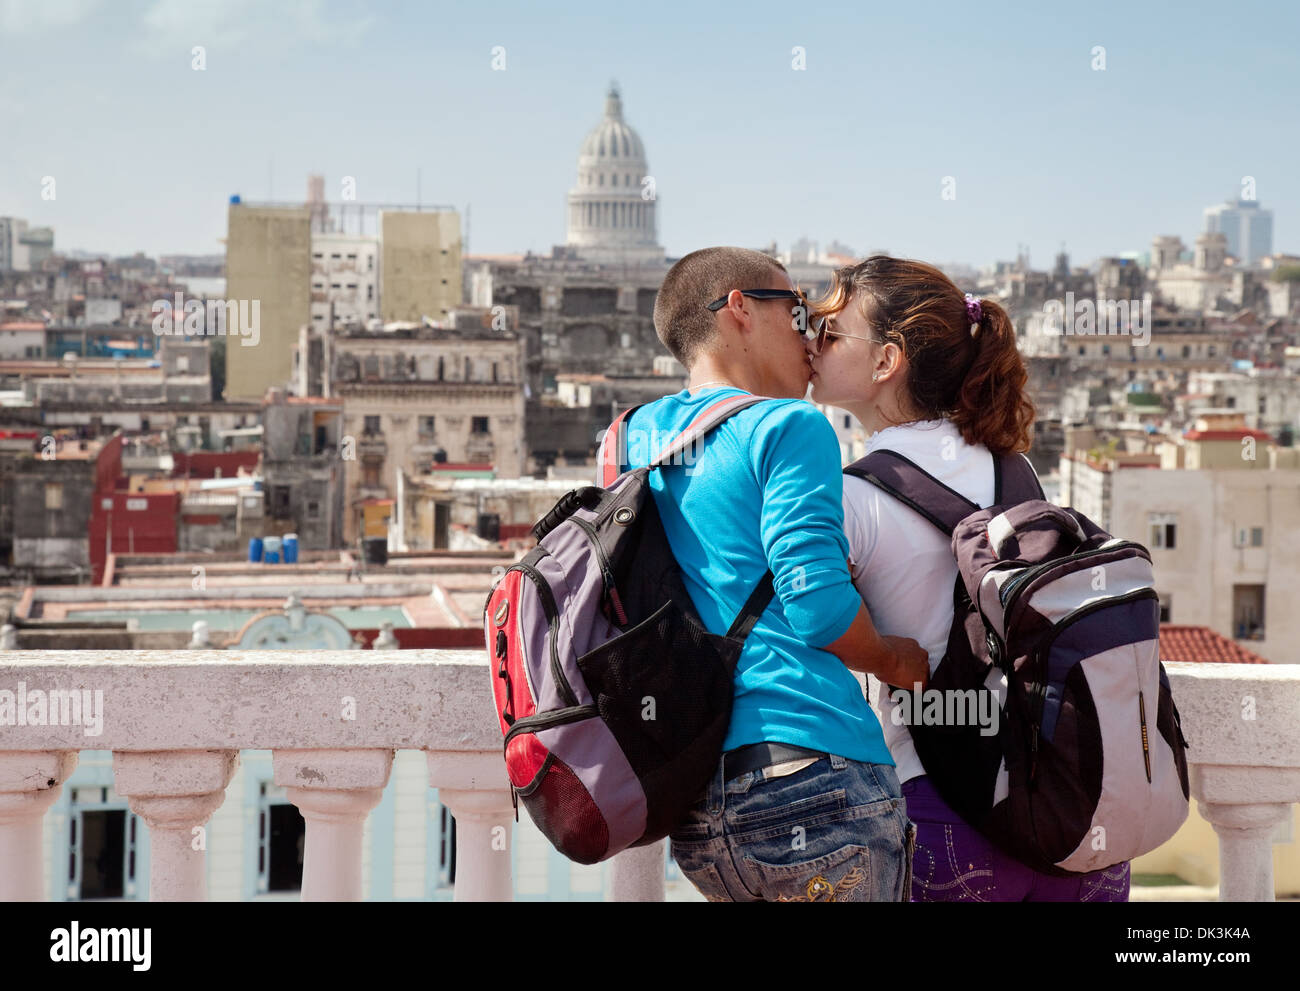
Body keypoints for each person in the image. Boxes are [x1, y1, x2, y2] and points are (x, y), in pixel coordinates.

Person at [807, 255, 1131, 902]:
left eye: (831, 330)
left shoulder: (852, 497)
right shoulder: (1016, 471)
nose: (812, 342)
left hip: (944, 803)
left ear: (885, 361)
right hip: (1073, 807)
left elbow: (809, 620)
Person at [610, 246, 928, 902]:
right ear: (741, 310)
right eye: (796, 311)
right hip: (810, 774)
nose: (808, 336)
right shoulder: (789, 426)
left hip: (696, 801)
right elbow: (817, 605)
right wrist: (897, 659)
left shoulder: (624, 438)